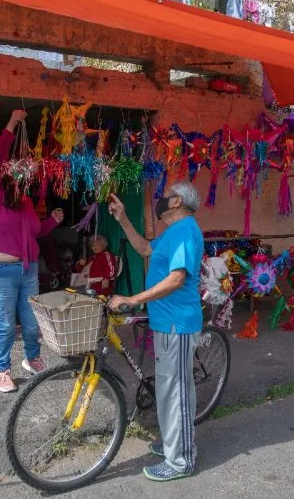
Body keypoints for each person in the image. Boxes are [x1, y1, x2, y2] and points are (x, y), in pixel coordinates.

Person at [107, 181, 203, 482]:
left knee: (177, 394)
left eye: (167, 196)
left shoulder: (186, 230)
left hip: (178, 323)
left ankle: (182, 460)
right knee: (166, 389)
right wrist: (123, 219)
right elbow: (144, 248)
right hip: (165, 322)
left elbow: (176, 280)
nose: (161, 201)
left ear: (177, 202)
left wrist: (134, 299)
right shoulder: (170, 233)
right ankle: (174, 444)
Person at [0, 110, 64, 393]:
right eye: (16, 170)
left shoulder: (26, 202)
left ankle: (32, 357)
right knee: (4, 324)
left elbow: (34, 232)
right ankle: (1, 370)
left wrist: (52, 221)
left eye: (25, 174)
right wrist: (12, 122)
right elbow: (0, 154)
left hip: (27, 269)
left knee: (30, 323)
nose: (21, 174)